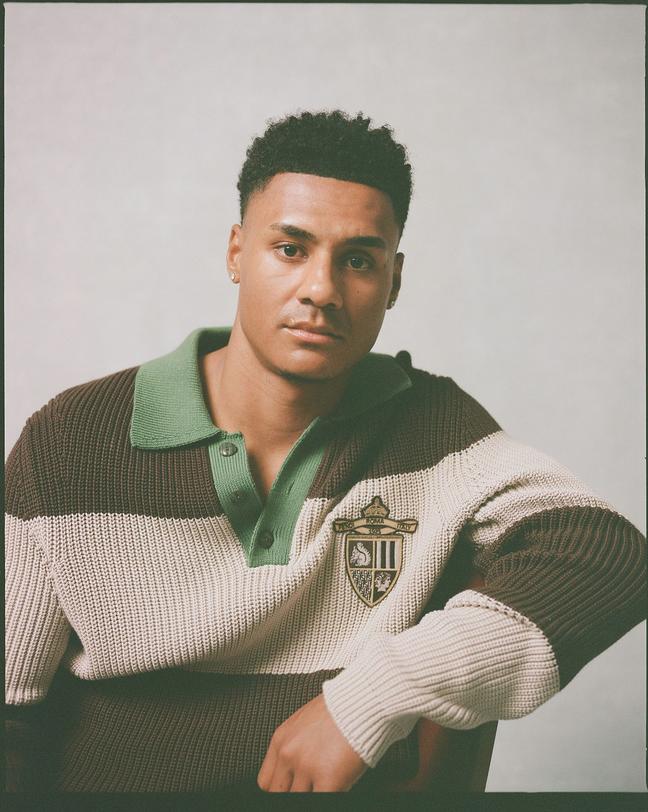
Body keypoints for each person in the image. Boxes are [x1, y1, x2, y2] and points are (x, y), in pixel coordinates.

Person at [5, 110, 646, 793]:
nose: (321, 289)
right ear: (235, 253)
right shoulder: (71, 440)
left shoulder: (436, 428)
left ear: (393, 282)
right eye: (290, 249)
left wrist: (372, 695)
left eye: (359, 260)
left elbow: (608, 555)